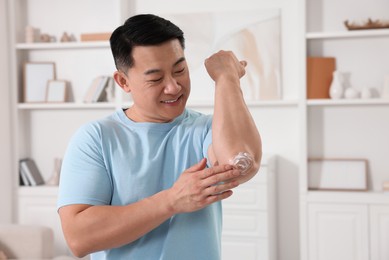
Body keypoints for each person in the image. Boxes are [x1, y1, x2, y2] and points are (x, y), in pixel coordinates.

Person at [57, 14, 262, 260]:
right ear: (124, 82)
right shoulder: (97, 138)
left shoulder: (207, 129)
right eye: (156, 79)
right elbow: (79, 238)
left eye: (180, 70)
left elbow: (240, 163)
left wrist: (227, 77)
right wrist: (171, 201)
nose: (174, 87)